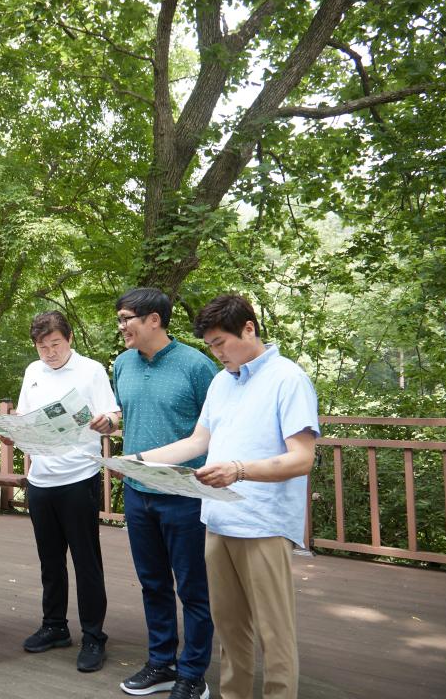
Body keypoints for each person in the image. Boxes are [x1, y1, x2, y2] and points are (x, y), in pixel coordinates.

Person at [121, 295, 319, 699]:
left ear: (249, 328)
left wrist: (238, 470)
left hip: (263, 524)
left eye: (219, 343)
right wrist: (136, 461)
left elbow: (302, 459)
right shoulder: (221, 381)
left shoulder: (288, 378)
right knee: (230, 629)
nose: (217, 353)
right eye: (211, 345)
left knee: (273, 632)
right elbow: (198, 440)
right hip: (216, 520)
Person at [112, 289, 217, 699]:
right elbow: (129, 413)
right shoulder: (122, 364)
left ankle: (192, 673)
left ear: (154, 320)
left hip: (185, 494)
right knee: (152, 582)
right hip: (138, 493)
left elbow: (214, 429)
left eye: (126, 318)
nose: (121, 327)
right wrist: (111, 423)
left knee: (192, 588)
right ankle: (161, 663)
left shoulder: (197, 365)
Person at [8, 310, 121, 673]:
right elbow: (24, 417)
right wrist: (14, 431)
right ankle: (54, 625)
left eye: (55, 344)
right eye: (42, 347)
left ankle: (93, 636)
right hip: (41, 478)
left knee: (86, 561)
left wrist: (108, 421)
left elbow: (113, 414)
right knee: (50, 560)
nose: (49, 353)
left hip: (79, 476)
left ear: (69, 339)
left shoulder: (91, 370)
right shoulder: (32, 372)